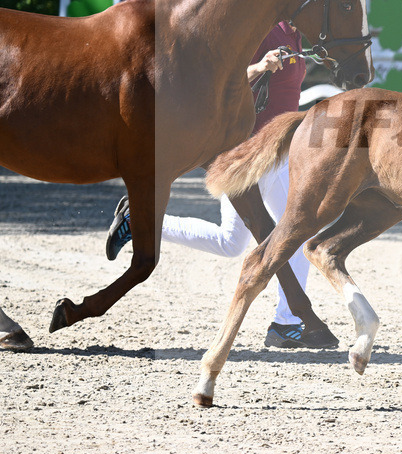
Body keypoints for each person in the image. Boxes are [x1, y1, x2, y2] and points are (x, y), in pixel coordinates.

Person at [106, 21, 330, 349]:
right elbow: (221, 84)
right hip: (254, 150)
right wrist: (260, 66)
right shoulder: (263, 28)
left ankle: (138, 222)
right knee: (297, 232)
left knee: (229, 242)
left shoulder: (296, 33)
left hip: (276, 153)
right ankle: (287, 324)